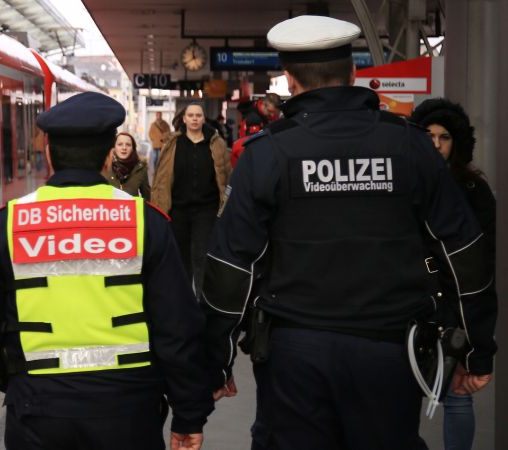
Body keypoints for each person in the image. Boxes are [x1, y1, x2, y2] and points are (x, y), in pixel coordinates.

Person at [201, 16, 495, 450]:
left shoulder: (267, 154)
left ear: (289, 78)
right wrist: (476, 349)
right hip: (391, 353)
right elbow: (464, 255)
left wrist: (217, 361)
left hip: (293, 355)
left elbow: (231, 266)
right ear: (355, 74)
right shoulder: (412, 146)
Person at [0, 92, 214, 450]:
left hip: (38, 408)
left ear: (48, 154)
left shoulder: (10, 223)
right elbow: (178, 326)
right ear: (110, 155)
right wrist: (189, 412)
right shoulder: (144, 221)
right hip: (128, 408)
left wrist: (15, 367)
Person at [410, 98, 497, 450]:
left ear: (456, 141)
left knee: (458, 393)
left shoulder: (475, 190)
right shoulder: (404, 187)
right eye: (428, 135)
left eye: (444, 137)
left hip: (456, 302)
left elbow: (482, 259)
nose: (435, 144)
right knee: (405, 392)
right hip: (413, 301)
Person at [151, 102, 230, 292]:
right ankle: (183, 302)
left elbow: (227, 176)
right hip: (178, 210)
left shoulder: (216, 143)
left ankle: (204, 304)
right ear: (184, 119)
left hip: (206, 210)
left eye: (198, 115)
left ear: (203, 119)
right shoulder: (172, 144)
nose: (195, 119)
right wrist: (159, 208)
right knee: (179, 258)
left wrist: (226, 206)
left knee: (202, 257)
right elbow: (160, 178)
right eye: (191, 115)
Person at [102, 132, 150, 200]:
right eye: (120, 144)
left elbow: (147, 198)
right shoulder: (105, 166)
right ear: (114, 147)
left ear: (133, 148)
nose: (124, 148)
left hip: (131, 209)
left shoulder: (140, 168)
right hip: (111, 209)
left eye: (128, 145)